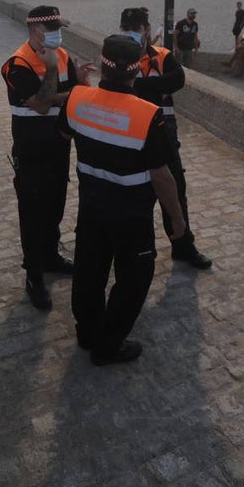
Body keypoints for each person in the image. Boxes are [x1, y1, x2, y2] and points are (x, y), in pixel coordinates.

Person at [60, 35, 186, 365]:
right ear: (135, 72)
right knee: (133, 278)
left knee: (89, 270)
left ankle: (87, 333)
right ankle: (109, 344)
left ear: (101, 65)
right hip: (131, 215)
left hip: (91, 207)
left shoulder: (76, 98)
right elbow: (162, 176)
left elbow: (65, 132)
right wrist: (177, 217)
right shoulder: (149, 114)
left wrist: (83, 87)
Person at [1, 5, 95, 310]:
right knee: (32, 214)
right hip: (31, 152)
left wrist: (79, 81)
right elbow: (41, 104)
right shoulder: (17, 64)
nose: (57, 33)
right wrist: (53, 70)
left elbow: (75, 95)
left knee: (55, 206)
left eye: (59, 27)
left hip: (59, 146)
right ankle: (34, 275)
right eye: (51, 28)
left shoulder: (64, 56)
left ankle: (51, 256)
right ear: (34, 30)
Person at [121, 8, 213, 269]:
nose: (130, 33)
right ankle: (140, 252)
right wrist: (155, 90)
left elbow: (177, 79)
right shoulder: (116, 54)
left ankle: (183, 246)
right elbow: (113, 87)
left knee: (175, 190)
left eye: (135, 29)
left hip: (164, 132)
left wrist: (138, 87)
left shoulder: (162, 56)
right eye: (126, 28)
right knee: (137, 194)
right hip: (130, 132)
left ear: (146, 31)